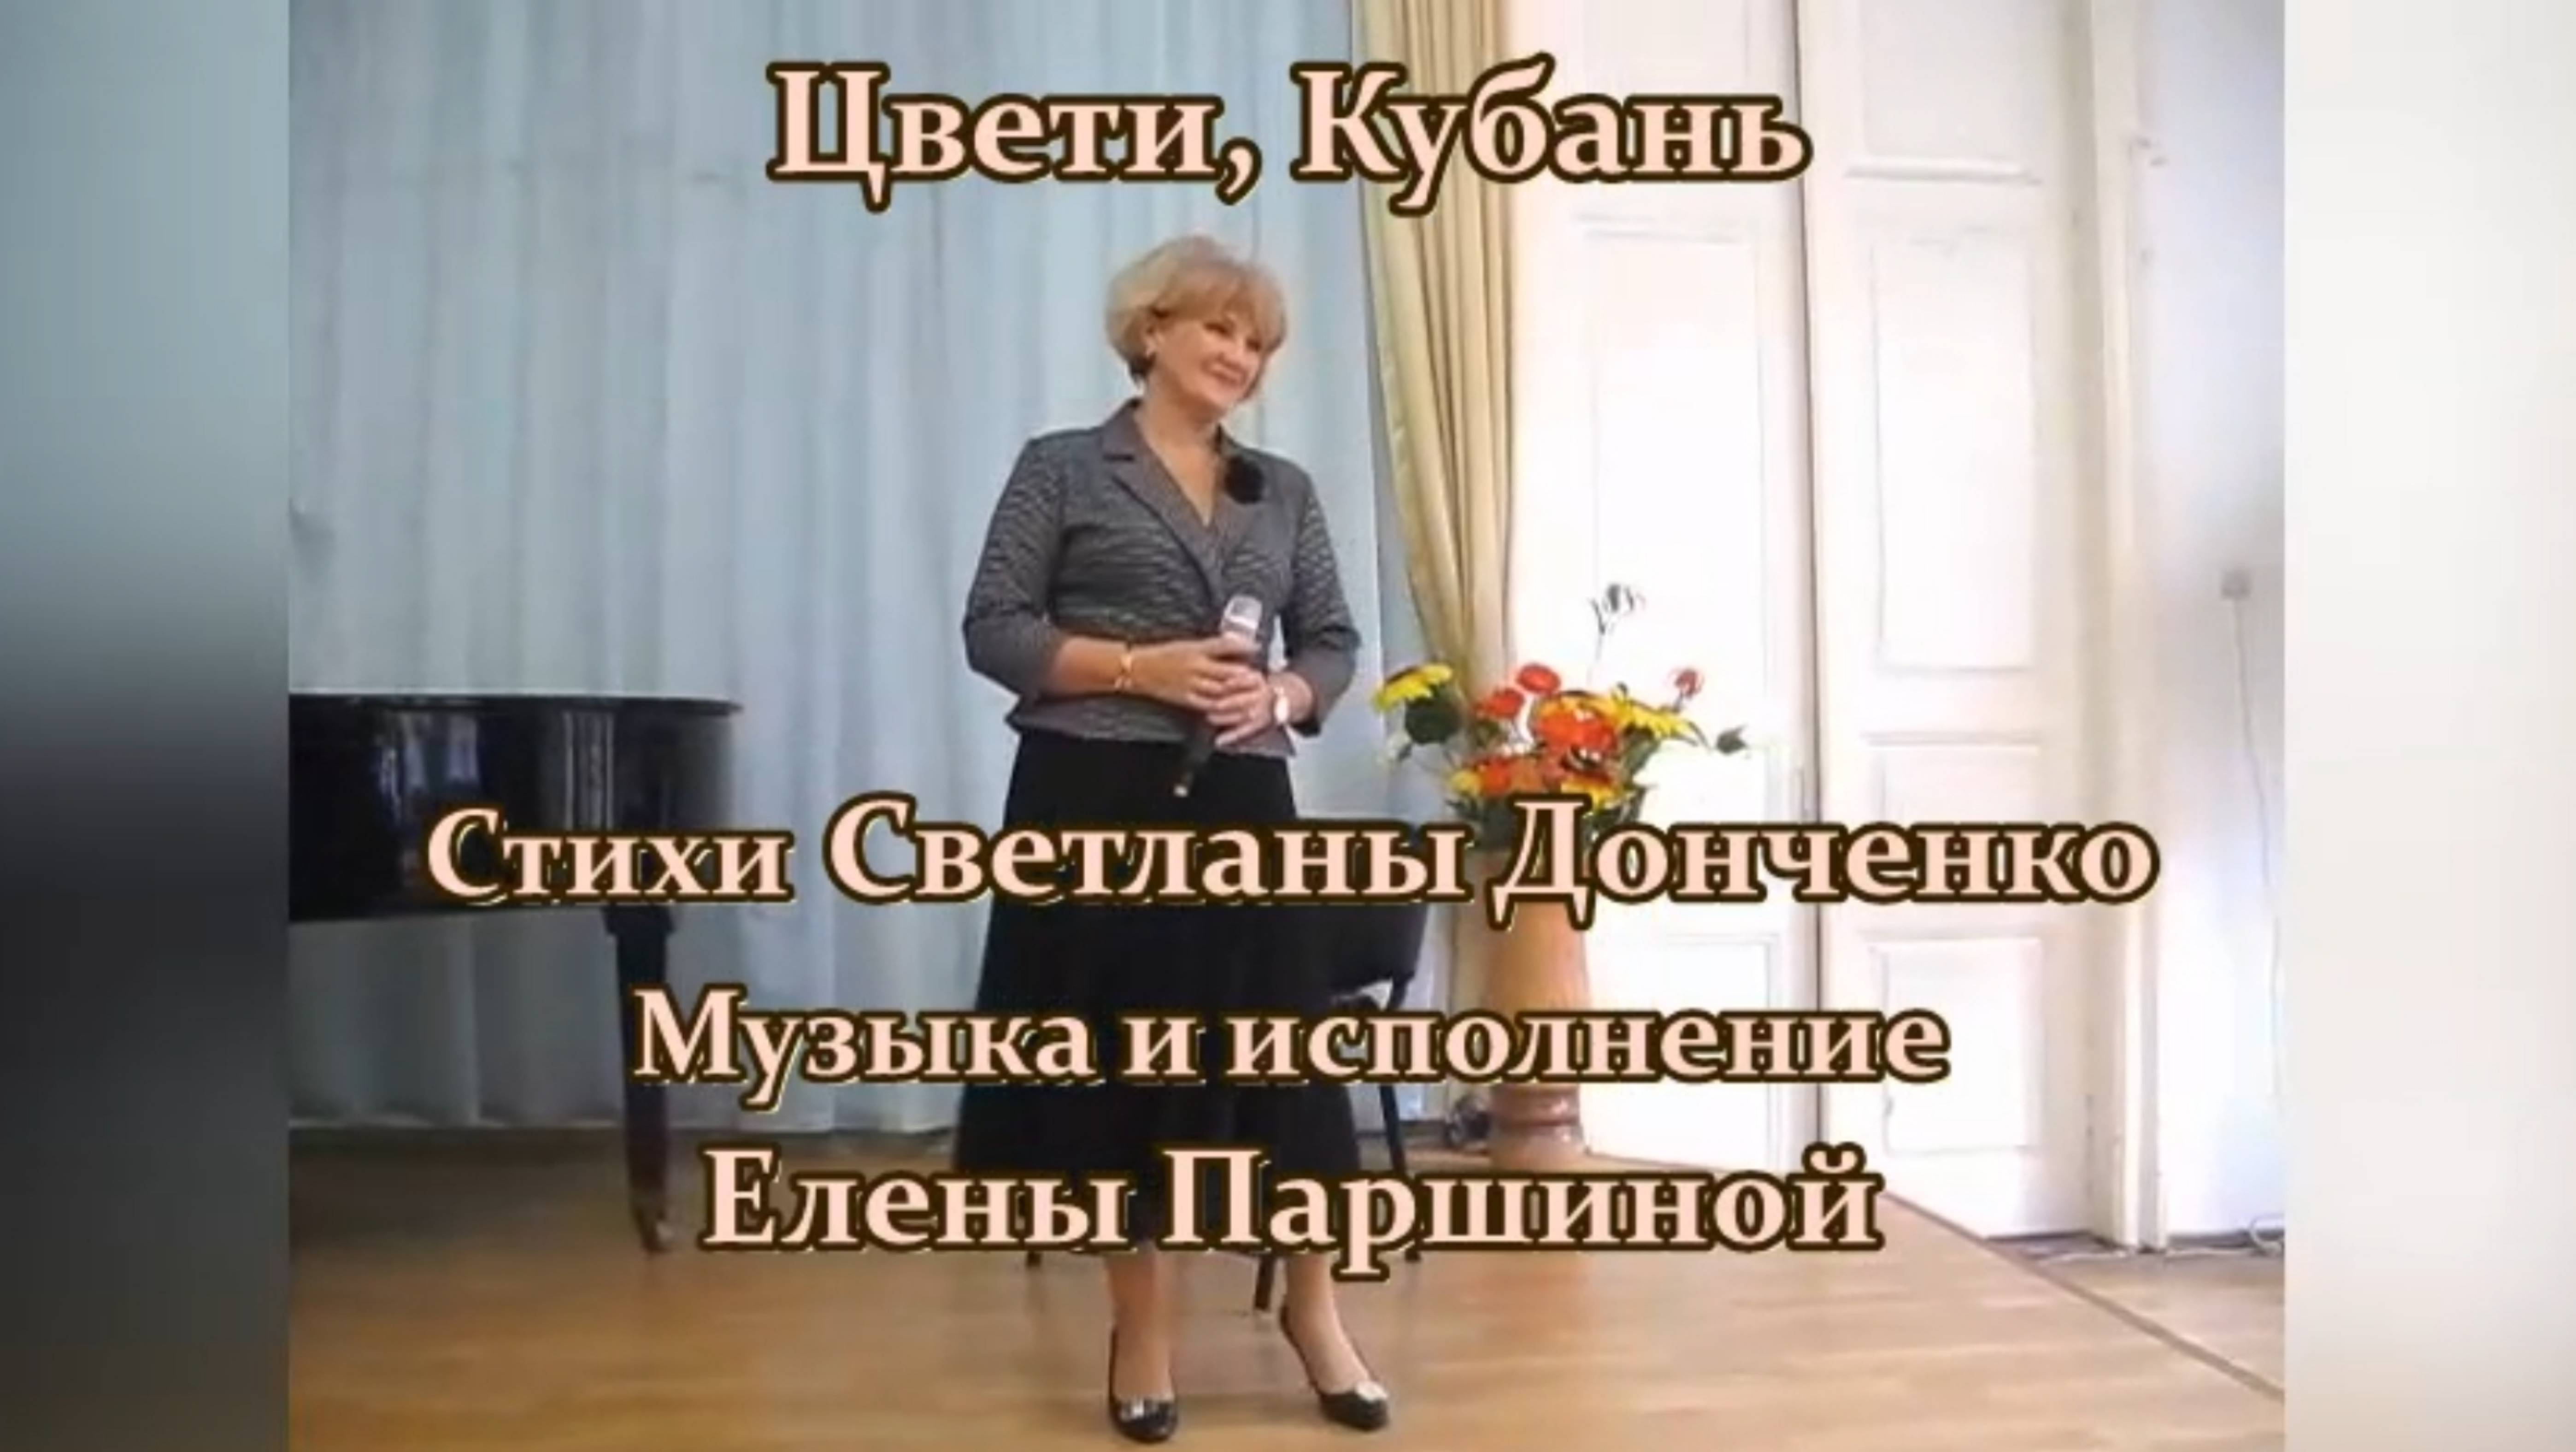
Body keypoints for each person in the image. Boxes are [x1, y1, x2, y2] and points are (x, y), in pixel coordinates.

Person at [951, 234, 1391, 1443]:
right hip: (1089, 792)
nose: (1240, 355)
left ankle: (1316, 1315)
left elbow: (1333, 641)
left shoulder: (1282, 490)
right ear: (1152, 331)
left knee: (1286, 1065)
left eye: (1257, 342)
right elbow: (994, 627)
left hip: (1243, 797)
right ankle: (1140, 1334)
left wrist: (1288, 694)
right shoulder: (1062, 468)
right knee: (1119, 1073)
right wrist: (1138, 667)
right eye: (1219, 329)